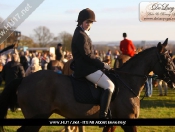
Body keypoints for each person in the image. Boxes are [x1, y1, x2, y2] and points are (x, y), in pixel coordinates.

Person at [71, 8, 114, 121]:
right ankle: (103, 116)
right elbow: (87, 55)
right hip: (85, 69)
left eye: (90, 23)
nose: (88, 25)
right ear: (81, 22)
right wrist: (102, 65)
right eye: (87, 22)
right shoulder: (81, 35)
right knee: (110, 86)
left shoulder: (82, 33)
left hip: (87, 66)